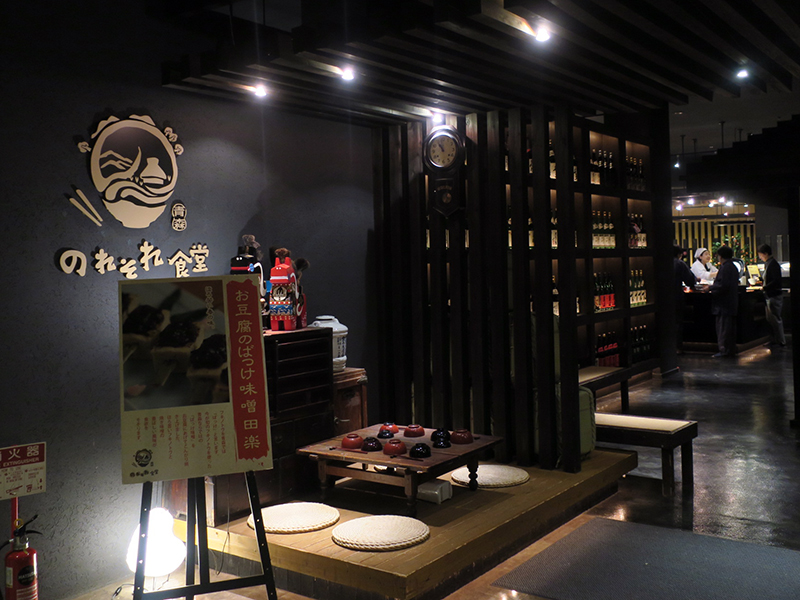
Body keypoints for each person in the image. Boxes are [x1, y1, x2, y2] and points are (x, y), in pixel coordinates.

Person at [709, 245, 739, 357]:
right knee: (729, 329)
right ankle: (729, 350)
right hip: (731, 303)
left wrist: (710, 288)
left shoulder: (725, 268)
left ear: (720, 256)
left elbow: (722, 285)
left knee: (723, 328)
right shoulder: (733, 267)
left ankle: (724, 350)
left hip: (723, 304)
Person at [757, 243, 785, 348]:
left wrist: (764, 287)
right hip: (771, 295)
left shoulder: (773, 264)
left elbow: (775, 281)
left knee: (775, 318)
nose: (760, 257)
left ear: (765, 253)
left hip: (774, 295)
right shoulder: (770, 263)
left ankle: (780, 341)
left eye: (760, 255)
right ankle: (775, 339)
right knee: (771, 319)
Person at [674, 245, 697, 353]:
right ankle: (677, 347)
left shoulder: (660, 262)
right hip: (676, 296)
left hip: (660, 297)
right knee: (677, 322)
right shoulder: (680, 263)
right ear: (679, 254)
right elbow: (690, 280)